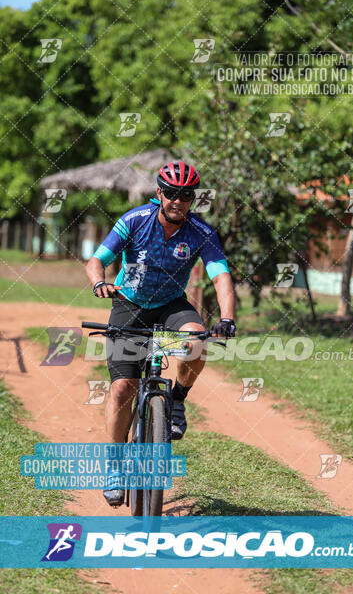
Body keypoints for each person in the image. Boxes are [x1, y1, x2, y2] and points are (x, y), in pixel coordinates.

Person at [86, 160, 236, 506]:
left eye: (185, 195)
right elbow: (97, 260)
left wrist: (226, 317)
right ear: (159, 193)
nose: (178, 201)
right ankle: (115, 468)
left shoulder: (201, 231)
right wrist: (99, 282)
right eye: (171, 193)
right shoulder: (135, 220)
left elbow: (221, 276)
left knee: (196, 341)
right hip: (129, 305)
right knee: (123, 387)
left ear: (192, 198)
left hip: (171, 305)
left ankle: (178, 399)